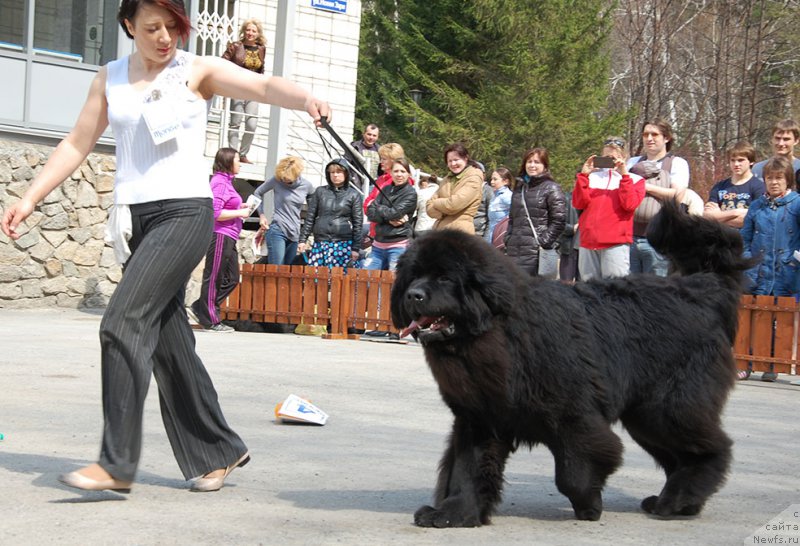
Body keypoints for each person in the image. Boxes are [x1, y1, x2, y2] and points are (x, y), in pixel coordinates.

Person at [0, 0, 329, 494]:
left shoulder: (196, 70)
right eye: (152, 27)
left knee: (122, 322)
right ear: (128, 25)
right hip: (137, 220)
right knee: (169, 342)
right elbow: (76, 143)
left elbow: (262, 86)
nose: (164, 38)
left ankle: (116, 463)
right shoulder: (109, 78)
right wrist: (29, 198)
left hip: (185, 213)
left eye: (172, 27)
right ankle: (219, 449)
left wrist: (306, 98)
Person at [740, 156, 800, 381]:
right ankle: (748, 362)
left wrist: (795, 260)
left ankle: (772, 364)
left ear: (788, 180)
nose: (774, 182)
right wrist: (749, 261)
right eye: (770, 178)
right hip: (759, 270)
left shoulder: (797, 204)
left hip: (787, 271)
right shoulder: (757, 206)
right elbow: (744, 238)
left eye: (779, 178)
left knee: (781, 320)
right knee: (757, 318)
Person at [189, 148, 252, 332]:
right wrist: (240, 213)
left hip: (230, 235)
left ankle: (200, 307)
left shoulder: (227, 182)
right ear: (228, 162)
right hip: (220, 234)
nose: (240, 164)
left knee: (232, 278)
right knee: (214, 276)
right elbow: (215, 213)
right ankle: (210, 319)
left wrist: (240, 207)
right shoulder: (219, 182)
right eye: (237, 160)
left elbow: (226, 205)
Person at [573, 137, 646, 281]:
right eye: (606, 158)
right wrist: (583, 176)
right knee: (588, 289)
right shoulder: (592, 177)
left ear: (624, 157)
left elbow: (629, 205)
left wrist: (624, 176)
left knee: (615, 289)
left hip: (615, 243)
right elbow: (579, 203)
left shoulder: (636, 180)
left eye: (614, 158)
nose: (610, 161)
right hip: (588, 242)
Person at [626, 118, 691, 276]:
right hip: (629, 237)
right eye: (645, 134)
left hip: (659, 240)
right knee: (629, 288)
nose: (649, 138)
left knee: (657, 287)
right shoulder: (632, 163)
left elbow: (676, 195)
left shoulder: (676, 163)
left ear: (666, 138)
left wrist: (644, 187)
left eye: (654, 134)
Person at [504, 147, 566, 277]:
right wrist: (508, 238)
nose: (532, 165)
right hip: (513, 251)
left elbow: (559, 220)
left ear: (545, 166)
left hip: (537, 252)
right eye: (529, 161)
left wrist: (543, 241)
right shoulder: (519, 188)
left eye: (537, 162)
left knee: (534, 287)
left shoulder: (551, 188)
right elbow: (512, 218)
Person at [298, 158, 363, 269]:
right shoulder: (320, 191)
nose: (335, 175)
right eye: (332, 172)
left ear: (346, 173)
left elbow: (358, 223)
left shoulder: (353, 194)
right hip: (320, 243)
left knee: (339, 277)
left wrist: (355, 248)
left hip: (342, 244)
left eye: (338, 172)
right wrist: (302, 240)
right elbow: (310, 218)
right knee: (315, 277)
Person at [253, 156, 314, 265]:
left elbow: (313, 210)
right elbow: (257, 193)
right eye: (282, 177)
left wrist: (304, 237)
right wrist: (261, 215)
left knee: (288, 271)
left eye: (287, 178)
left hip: (295, 232)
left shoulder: (307, 186)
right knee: (277, 269)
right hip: (277, 229)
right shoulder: (277, 180)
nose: (284, 180)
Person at [221, 18, 267, 164]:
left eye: (253, 31)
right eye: (248, 30)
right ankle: (233, 154)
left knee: (252, 124)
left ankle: (243, 154)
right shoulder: (236, 46)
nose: (250, 33)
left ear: (258, 33)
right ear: (244, 31)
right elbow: (222, 63)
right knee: (235, 121)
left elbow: (261, 69)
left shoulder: (261, 49)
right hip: (238, 88)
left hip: (254, 90)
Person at [363, 157, 418, 271]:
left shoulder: (411, 193)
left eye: (403, 171)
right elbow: (370, 213)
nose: (399, 174)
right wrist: (388, 215)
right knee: (367, 276)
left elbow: (394, 214)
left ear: (408, 174)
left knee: (394, 278)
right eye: (396, 171)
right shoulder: (385, 189)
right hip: (378, 244)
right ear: (391, 173)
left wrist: (379, 208)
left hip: (398, 245)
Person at [704, 141, 765, 229]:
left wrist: (719, 216)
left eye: (741, 160)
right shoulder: (719, 187)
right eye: (733, 160)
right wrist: (736, 212)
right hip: (721, 235)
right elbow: (707, 217)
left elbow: (754, 220)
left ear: (751, 162)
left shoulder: (759, 187)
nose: (736, 164)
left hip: (745, 236)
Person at [426, 143, 484, 233]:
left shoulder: (474, 178)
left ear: (465, 158)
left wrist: (436, 203)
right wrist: (444, 209)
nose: (453, 164)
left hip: (460, 233)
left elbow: (453, 205)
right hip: (439, 232)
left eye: (456, 160)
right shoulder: (446, 179)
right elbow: (428, 207)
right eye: (450, 161)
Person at [363, 143, 407, 241]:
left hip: (393, 236)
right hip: (376, 232)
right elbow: (366, 205)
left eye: (384, 159)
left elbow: (395, 211)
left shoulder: (402, 181)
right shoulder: (381, 179)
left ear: (393, 160)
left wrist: (376, 207)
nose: (381, 161)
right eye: (381, 158)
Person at [484, 167, 513, 244]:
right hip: (492, 236)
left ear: (505, 181)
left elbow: (518, 212)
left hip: (502, 238)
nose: (492, 182)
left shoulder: (506, 196)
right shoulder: (495, 196)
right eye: (491, 179)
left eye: (495, 179)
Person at [558, 191, 581, 283]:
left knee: (584, 284)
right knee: (566, 283)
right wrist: (571, 228)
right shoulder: (566, 198)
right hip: (569, 246)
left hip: (587, 249)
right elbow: (557, 222)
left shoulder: (595, 200)